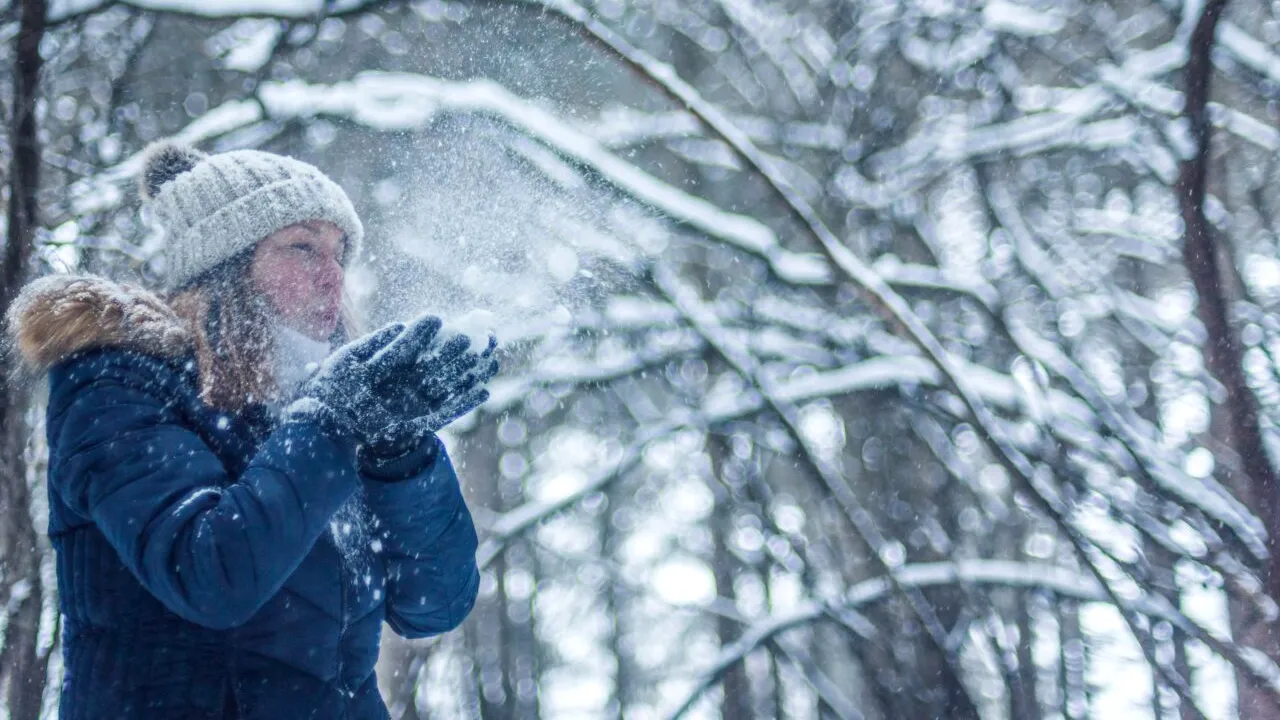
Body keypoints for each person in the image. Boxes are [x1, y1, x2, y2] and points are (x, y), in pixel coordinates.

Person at [5, 141, 497, 719]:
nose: (331, 279)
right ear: (227, 265)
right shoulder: (117, 384)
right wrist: (331, 424)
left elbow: (432, 606)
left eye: (340, 255)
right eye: (303, 247)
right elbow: (211, 576)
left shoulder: (327, 403)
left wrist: (400, 457)